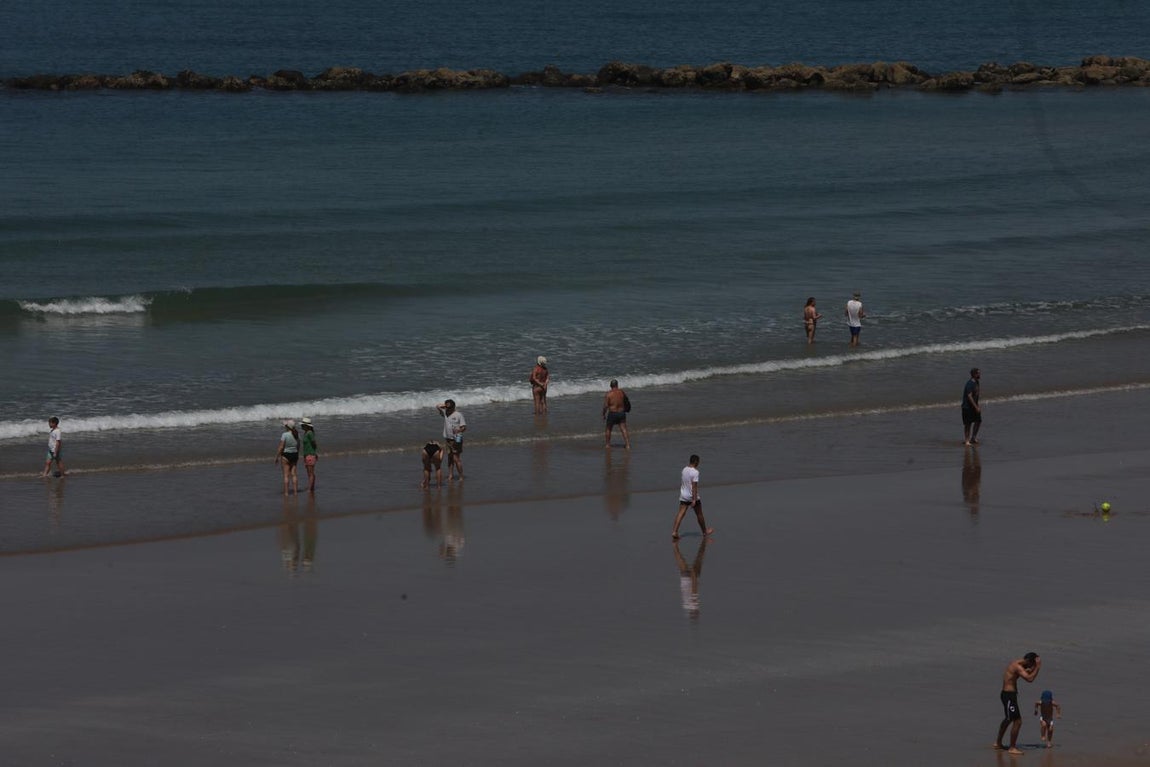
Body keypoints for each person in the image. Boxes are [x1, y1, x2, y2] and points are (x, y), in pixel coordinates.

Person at [994, 651, 1042, 755]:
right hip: (1008, 696)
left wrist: (1032, 667)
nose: (1032, 666)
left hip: (1008, 695)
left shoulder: (1019, 664)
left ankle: (998, 743)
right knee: (1017, 721)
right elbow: (1030, 679)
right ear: (1029, 661)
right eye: (1032, 664)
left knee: (1008, 719)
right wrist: (1037, 667)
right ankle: (1012, 747)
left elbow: (1027, 672)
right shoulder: (1017, 666)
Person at [672, 454, 712, 540]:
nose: (699, 464)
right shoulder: (695, 472)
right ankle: (705, 532)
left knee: (681, 513)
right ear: (696, 462)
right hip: (692, 496)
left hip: (683, 495)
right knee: (699, 514)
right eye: (698, 462)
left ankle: (674, 531)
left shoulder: (684, 469)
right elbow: (694, 486)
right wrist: (694, 500)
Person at [436, 399, 467, 480]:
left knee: (456, 459)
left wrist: (459, 430)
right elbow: (437, 406)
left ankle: (461, 476)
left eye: (449, 407)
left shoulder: (458, 415)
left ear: (453, 407)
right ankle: (450, 475)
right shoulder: (445, 413)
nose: (448, 409)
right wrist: (445, 406)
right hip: (447, 439)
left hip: (457, 439)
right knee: (450, 458)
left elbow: (464, 427)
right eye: (446, 407)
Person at [602, 379, 630, 449]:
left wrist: (603, 414)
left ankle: (608, 445)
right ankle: (627, 445)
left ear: (611, 386)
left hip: (612, 413)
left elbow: (605, 406)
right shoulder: (622, 392)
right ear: (617, 385)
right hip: (621, 413)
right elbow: (626, 401)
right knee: (623, 429)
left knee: (608, 429)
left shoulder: (609, 394)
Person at [275, 419, 300, 495]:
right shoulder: (297, 434)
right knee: (294, 474)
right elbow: (298, 445)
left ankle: (286, 493)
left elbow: (281, 447)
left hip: (286, 455)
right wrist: (297, 453)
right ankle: (295, 492)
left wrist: (277, 456)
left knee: (286, 475)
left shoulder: (284, 434)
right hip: (295, 454)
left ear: (287, 427)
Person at [963, 367, 982, 445]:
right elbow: (969, 396)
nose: (980, 374)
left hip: (974, 406)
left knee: (978, 421)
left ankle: (973, 437)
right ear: (974, 374)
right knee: (968, 424)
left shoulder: (977, 382)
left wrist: (978, 405)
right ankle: (967, 440)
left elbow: (976, 395)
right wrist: (976, 407)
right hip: (967, 407)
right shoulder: (970, 383)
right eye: (978, 373)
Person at [300, 417, 318, 493]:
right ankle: (311, 487)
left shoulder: (309, 433)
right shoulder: (307, 433)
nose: (301, 426)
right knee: (310, 473)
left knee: (310, 473)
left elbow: (314, 443)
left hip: (310, 455)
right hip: (307, 455)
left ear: (306, 426)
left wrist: (314, 452)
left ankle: (310, 489)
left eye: (302, 425)